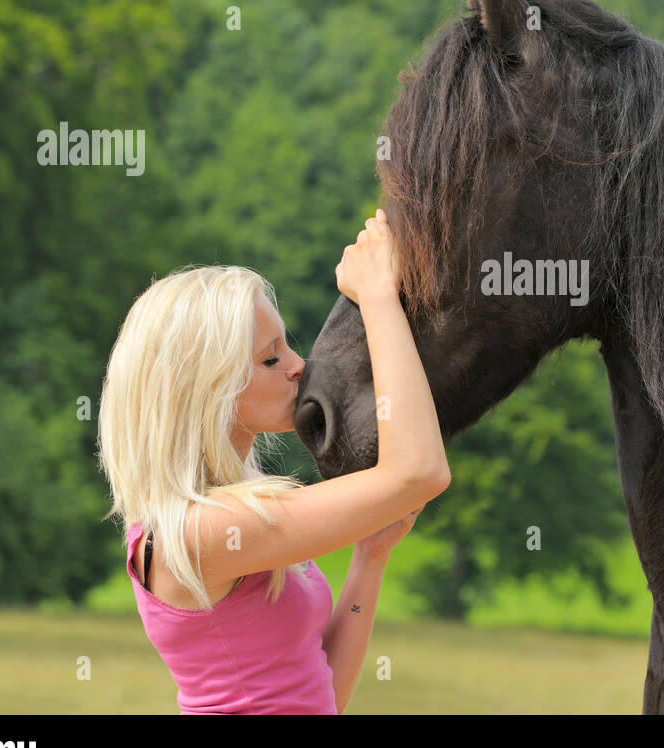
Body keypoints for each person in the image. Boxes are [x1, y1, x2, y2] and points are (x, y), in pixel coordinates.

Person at [98, 209, 449, 713]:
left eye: (286, 347)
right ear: (207, 389)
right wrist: (378, 299)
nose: (297, 366)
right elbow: (419, 471)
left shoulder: (224, 518)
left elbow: (320, 691)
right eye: (270, 359)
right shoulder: (203, 532)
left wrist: (370, 557)